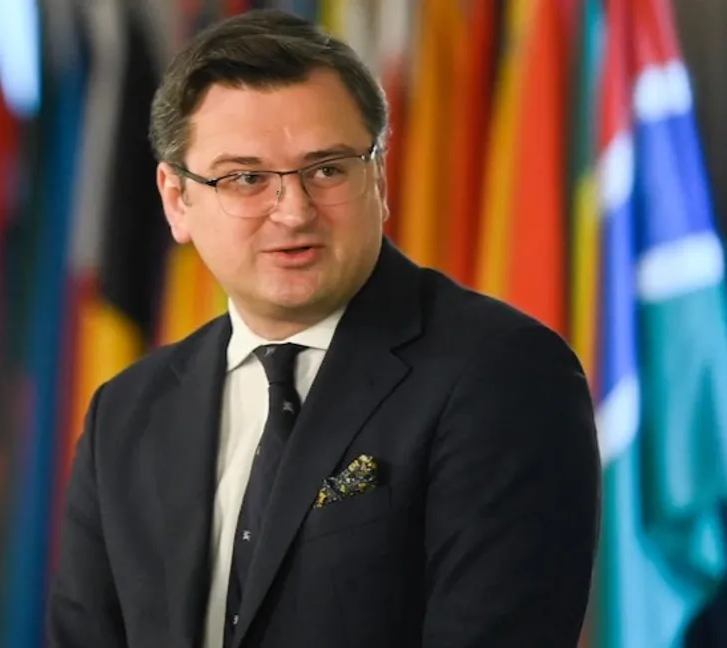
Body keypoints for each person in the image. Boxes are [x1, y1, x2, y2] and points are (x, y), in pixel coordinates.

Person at [46, 9, 601, 648]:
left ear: (379, 177)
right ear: (177, 200)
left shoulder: (505, 373)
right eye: (246, 178)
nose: (294, 211)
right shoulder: (126, 412)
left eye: (328, 168)